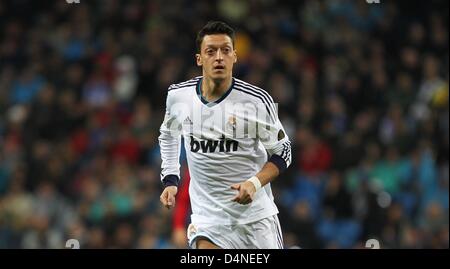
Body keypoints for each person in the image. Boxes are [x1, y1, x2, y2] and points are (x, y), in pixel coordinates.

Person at [159, 21, 292, 249]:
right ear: (199, 59)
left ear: (235, 57)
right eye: (211, 51)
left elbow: (284, 151)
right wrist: (171, 179)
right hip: (208, 220)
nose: (218, 57)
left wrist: (254, 183)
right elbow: (169, 134)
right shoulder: (178, 96)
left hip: (255, 219)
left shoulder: (256, 101)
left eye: (225, 50)